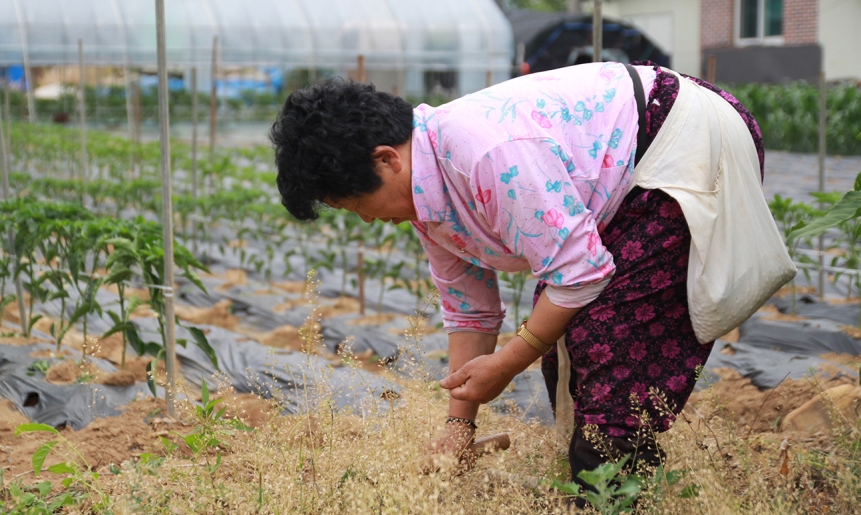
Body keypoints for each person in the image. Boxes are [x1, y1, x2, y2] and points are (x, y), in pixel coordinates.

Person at [268, 61, 776, 487]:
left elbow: (580, 274)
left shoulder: (484, 153)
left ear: (386, 161)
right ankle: (592, 485)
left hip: (680, 138)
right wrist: (458, 428)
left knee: (608, 344)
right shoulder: (425, 196)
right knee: (561, 346)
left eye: (357, 203)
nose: (365, 219)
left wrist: (509, 362)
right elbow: (470, 312)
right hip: (628, 171)